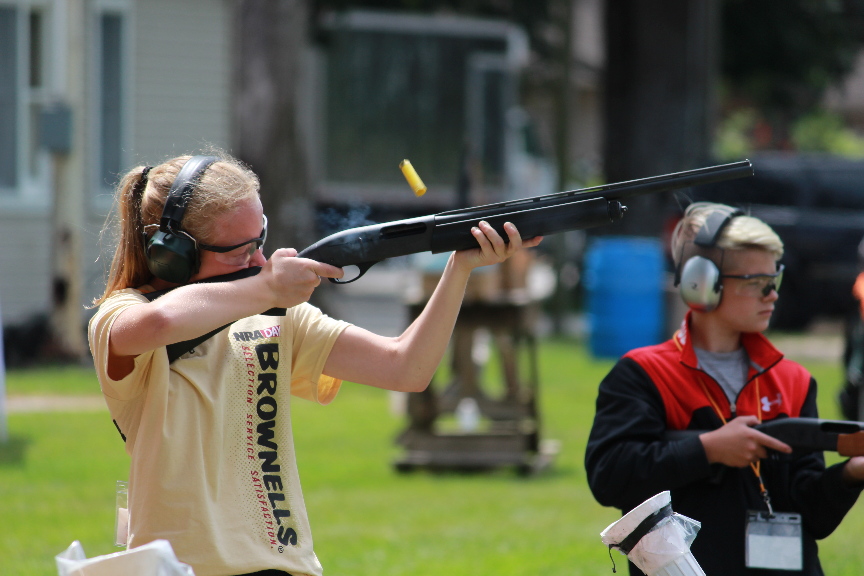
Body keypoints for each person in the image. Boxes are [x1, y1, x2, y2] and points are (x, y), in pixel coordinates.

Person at [88, 153, 542, 576]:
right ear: (173, 255)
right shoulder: (123, 316)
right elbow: (158, 324)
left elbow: (407, 368)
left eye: (260, 240)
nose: (260, 260)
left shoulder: (276, 316)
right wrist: (268, 289)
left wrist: (459, 269)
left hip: (288, 566)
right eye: (240, 252)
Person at [585, 202, 864, 576]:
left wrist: (851, 474)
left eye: (775, 279)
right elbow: (610, 477)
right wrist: (708, 450)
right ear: (701, 283)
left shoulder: (793, 379)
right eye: (756, 283)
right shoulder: (644, 373)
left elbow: (811, 515)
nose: (772, 294)